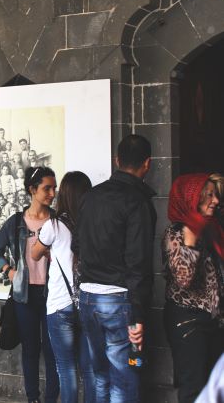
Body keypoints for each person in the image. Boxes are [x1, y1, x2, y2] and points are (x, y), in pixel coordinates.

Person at [74, 134, 156, 403]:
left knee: (100, 375)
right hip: (120, 302)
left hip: (88, 298)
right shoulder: (138, 202)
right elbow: (139, 262)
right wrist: (139, 316)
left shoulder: (90, 197)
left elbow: (77, 246)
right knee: (127, 376)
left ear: (117, 160)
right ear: (147, 164)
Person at [0, 166, 59, 403]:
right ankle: (33, 398)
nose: (52, 193)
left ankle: (51, 399)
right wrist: (8, 270)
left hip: (53, 295)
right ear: (32, 189)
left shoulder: (57, 220)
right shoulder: (16, 222)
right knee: (31, 350)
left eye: (54, 188)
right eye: (46, 188)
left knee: (53, 353)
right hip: (25, 294)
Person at [31, 171, 95, 403]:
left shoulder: (54, 225)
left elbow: (34, 254)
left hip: (60, 305)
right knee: (89, 369)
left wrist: (52, 250)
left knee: (66, 369)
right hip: (88, 303)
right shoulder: (93, 223)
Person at [162, 173, 224, 403]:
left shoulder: (213, 228)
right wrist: (191, 241)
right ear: (192, 198)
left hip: (213, 319)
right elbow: (184, 279)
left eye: (215, 194)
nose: (215, 200)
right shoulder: (177, 232)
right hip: (188, 321)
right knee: (194, 388)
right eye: (208, 195)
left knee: (213, 387)